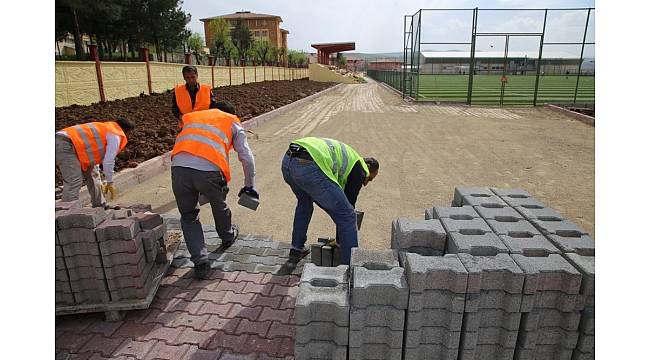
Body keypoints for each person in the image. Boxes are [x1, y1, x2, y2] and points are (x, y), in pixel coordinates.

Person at [171, 101, 258, 279]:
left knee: (188, 216)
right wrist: (250, 185)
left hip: (178, 168)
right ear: (232, 113)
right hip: (210, 171)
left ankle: (200, 262)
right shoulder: (232, 120)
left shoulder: (191, 117)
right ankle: (227, 237)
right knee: (219, 204)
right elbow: (246, 158)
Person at [281, 137, 379, 265]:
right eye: (369, 179)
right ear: (368, 168)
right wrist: (340, 241)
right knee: (349, 216)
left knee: (304, 204)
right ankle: (350, 269)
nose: (366, 183)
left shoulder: (349, 160)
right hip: (308, 164)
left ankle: (296, 249)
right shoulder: (360, 169)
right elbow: (348, 207)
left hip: (288, 161)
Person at [55, 118, 135, 207]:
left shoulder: (107, 129)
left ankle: (100, 206)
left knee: (94, 176)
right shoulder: (115, 135)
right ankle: (67, 215)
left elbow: (94, 151)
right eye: (129, 133)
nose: (129, 137)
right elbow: (108, 162)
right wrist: (110, 182)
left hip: (73, 145)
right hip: (64, 143)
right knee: (74, 181)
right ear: (126, 130)